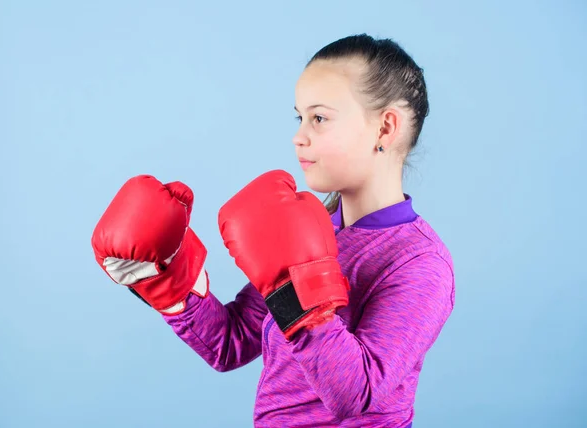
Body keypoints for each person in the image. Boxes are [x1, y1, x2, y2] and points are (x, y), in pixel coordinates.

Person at [91, 34, 455, 428]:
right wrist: (166, 284)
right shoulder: (309, 229)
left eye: (320, 117)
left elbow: (356, 393)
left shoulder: (420, 264)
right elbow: (229, 344)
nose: (300, 136)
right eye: (299, 117)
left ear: (385, 129)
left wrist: (299, 298)